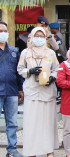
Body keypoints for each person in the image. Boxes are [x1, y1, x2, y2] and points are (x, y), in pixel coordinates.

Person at [17, 27, 59, 157]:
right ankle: (31, 151)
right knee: (32, 124)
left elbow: (57, 70)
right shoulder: (25, 52)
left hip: (47, 93)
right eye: (37, 35)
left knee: (47, 123)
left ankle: (49, 151)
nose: (39, 38)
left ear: (45, 38)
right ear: (32, 37)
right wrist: (30, 71)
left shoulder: (51, 53)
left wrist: (52, 77)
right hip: (32, 93)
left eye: (42, 36)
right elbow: (20, 69)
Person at [0, 21, 23, 157]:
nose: (3, 33)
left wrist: (20, 89)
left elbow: (19, 73)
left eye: (4, 31)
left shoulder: (14, 51)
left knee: (12, 122)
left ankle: (12, 150)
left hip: (12, 91)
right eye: (0, 31)